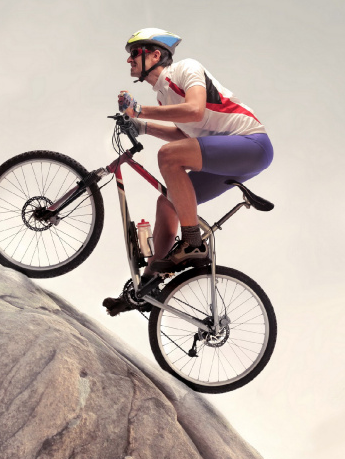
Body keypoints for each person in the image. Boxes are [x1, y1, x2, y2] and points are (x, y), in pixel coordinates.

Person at [103, 28, 274, 316]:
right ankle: (146, 285)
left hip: (251, 144)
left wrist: (139, 111)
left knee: (168, 158)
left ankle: (193, 242)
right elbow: (184, 137)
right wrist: (141, 127)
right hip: (226, 157)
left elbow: (194, 110)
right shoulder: (163, 98)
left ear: (155, 54)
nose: (129, 61)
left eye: (134, 53)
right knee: (167, 203)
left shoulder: (186, 68)